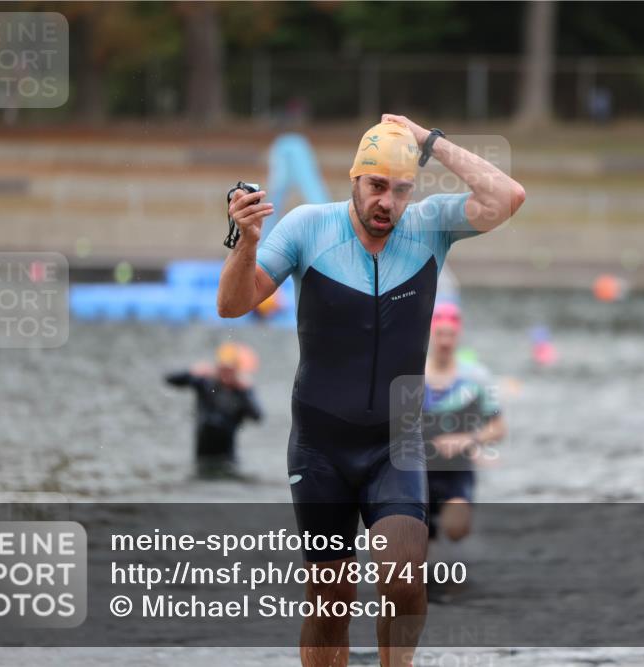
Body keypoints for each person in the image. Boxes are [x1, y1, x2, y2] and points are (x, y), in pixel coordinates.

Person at [217, 114, 525, 667]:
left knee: (404, 580)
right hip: (320, 445)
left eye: (401, 189)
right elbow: (232, 304)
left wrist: (429, 140)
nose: (387, 202)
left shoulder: (430, 227)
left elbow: (508, 196)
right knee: (330, 601)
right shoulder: (308, 227)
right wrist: (247, 245)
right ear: (354, 179)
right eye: (377, 186)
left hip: (396, 440)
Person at [423, 302, 506, 544]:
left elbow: (498, 428)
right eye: (440, 334)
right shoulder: (412, 374)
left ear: (459, 336)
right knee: (416, 549)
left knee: (456, 528)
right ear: (430, 335)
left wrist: (469, 440)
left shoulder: (477, 377)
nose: (445, 341)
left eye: (450, 335)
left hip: (455, 471)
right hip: (415, 471)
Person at [164, 342, 263, 479]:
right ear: (218, 366)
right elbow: (169, 379)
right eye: (223, 368)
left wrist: (246, 392)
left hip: (227, 457)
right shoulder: (205, 383)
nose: (226, 373)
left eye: (230, 370)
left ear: (236, 370)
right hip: (202, 454)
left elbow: (258, 416)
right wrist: (191, 371)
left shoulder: (241, 391)